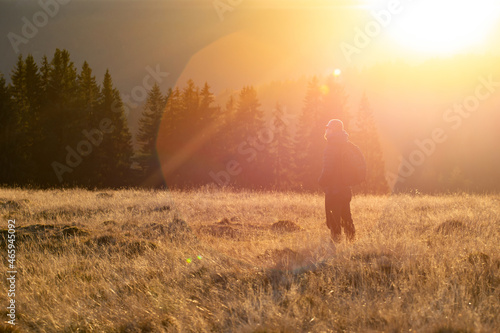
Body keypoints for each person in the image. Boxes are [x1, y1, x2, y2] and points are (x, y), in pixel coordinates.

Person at [318, 119, 365, 242]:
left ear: (333, 130)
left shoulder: (331, 147)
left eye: (328, 128)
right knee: (347, 218)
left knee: (334, 221)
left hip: (333, 191)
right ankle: (352, 243)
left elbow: (327, 169)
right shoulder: (346, 144)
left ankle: (335, 247)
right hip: (345, 190)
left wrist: (321, 182)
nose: (326, 130)